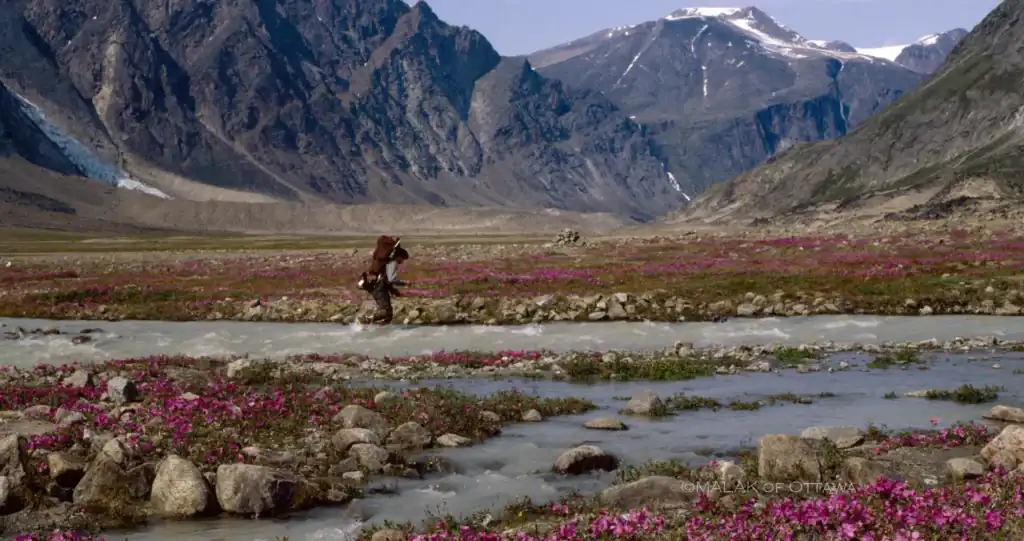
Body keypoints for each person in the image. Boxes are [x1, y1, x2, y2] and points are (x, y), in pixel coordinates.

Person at [358, 236, 409, 325]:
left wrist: (394, 291)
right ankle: (365, 320)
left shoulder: (385, 261)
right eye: (403, 259)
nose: (402, 262)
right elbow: (391, 279)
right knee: (385, 311)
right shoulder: (391, 262)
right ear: (399, 256)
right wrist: (404, 283)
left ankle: (381, 333)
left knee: (388, 315)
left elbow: (386, 280)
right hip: (378, 288)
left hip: (377, 287)